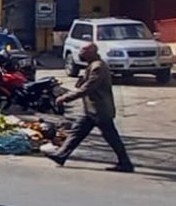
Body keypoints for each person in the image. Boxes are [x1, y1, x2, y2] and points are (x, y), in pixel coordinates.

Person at [48, 41, 134, 172]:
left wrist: (65, 98)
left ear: (92, 53)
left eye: (84, 52)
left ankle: (125, 163)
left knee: (112, 138)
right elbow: (81, 85)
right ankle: (61, 155)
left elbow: (87, 88)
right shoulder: (91, 66)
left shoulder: (98, 67)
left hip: (100, 109)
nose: (81, 54)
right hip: (90, 109)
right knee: (77, 132)